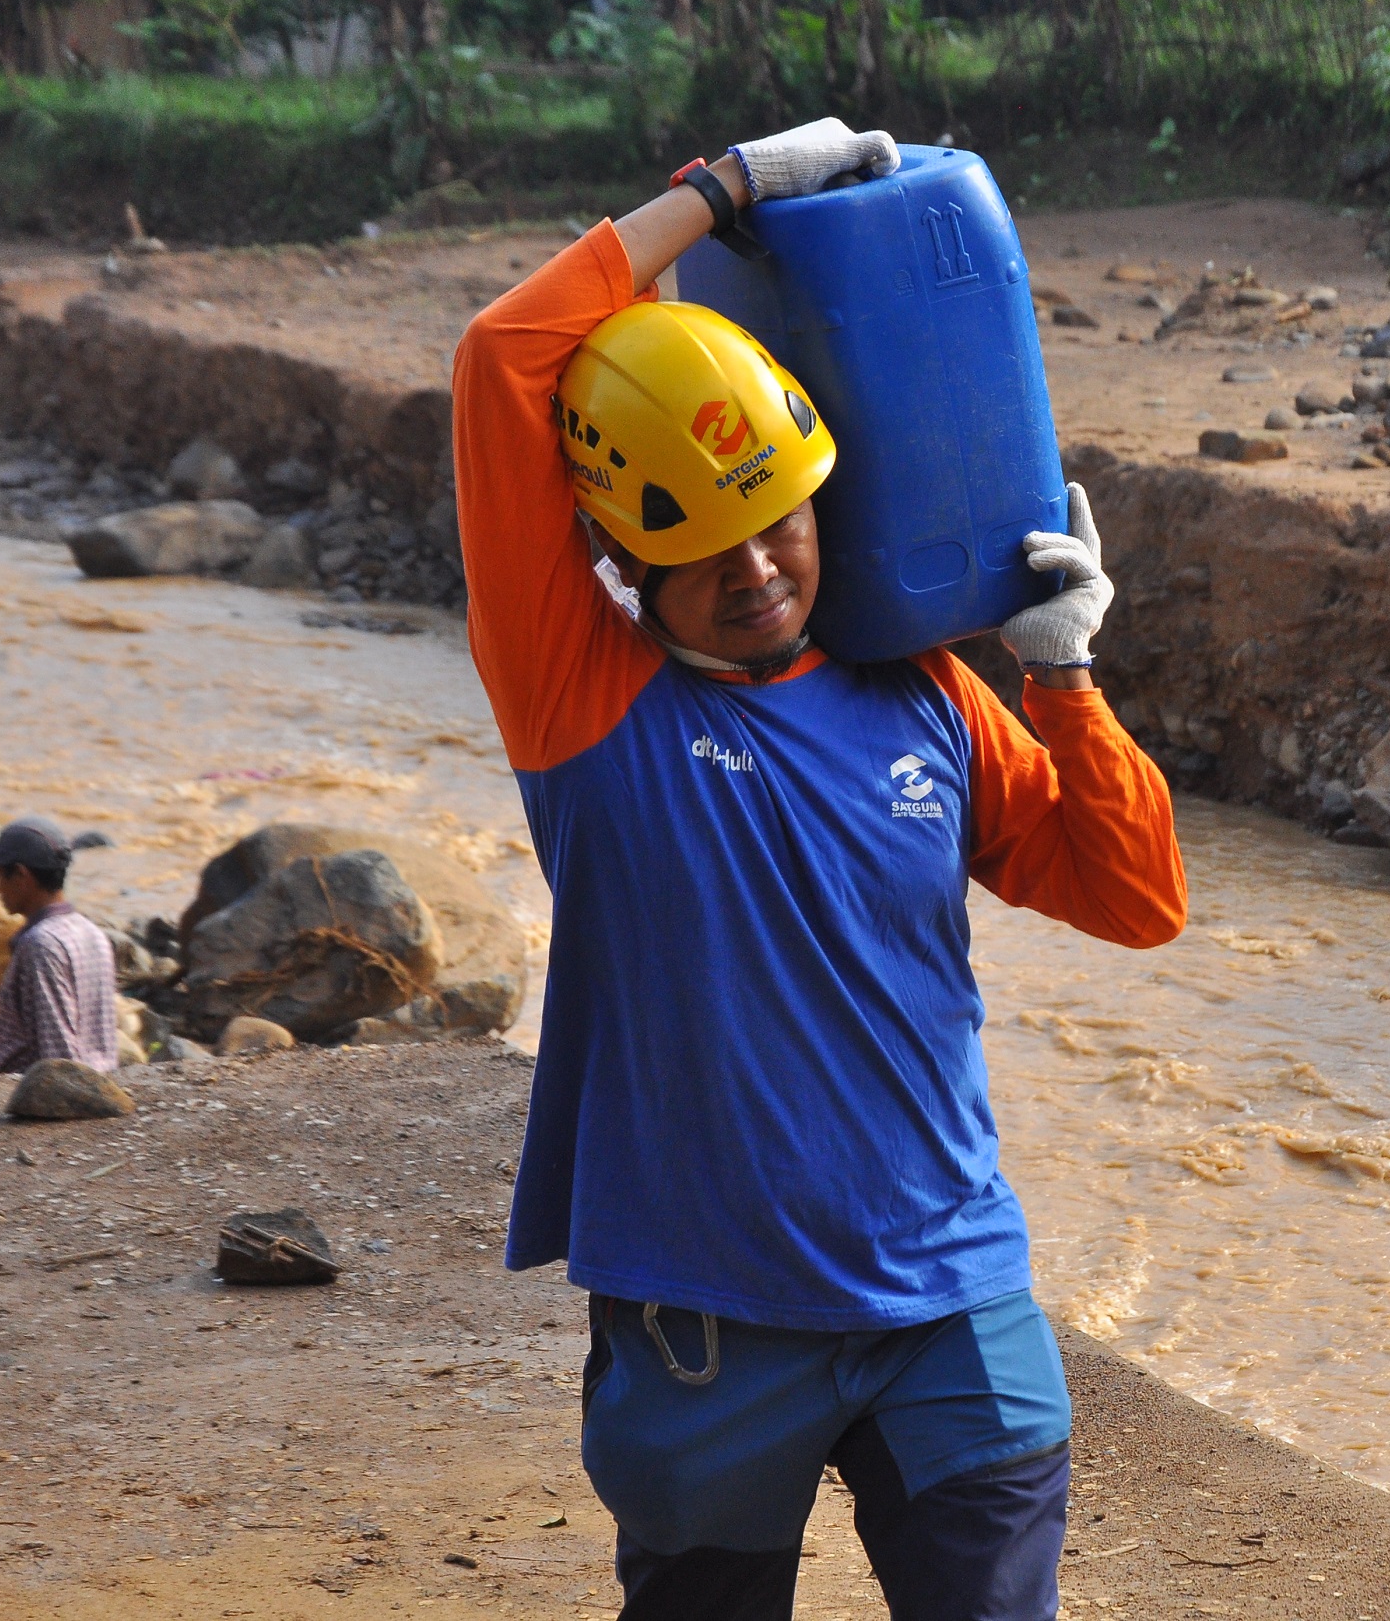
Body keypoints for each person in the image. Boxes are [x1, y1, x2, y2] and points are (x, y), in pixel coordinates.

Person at [451, 117, 1186, 1621]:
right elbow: (500, 360)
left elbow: (1134, 899)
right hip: (708, 1328)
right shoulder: (583, 698)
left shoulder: (922, 689)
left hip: (951, 1298)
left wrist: (1067, 679)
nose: (755, 570)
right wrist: (721, 193)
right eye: (702, 549)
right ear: (622, 568)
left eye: (774, 522)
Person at [0, 816, 117, 1076]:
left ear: (22, 875)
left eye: (0, 877)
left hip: (44, 1096)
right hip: (98, 1082)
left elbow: (58, 1055)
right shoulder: (91, 933)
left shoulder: (40, 945)